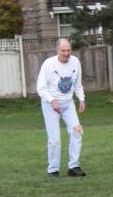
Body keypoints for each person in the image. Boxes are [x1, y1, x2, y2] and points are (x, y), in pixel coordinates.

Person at [36, 38, 86, 177]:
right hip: (50, 106)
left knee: (77, 131)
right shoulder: (48, 64)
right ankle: (53, 170)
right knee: (55, 140)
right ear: (57, 50)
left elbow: (77, 84)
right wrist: (52, 100)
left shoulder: (75, 62)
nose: (66, 53)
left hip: (68, 104)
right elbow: (41, 88)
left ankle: (74, 167)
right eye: (63, 50)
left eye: (68, 50)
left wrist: (81, 98)